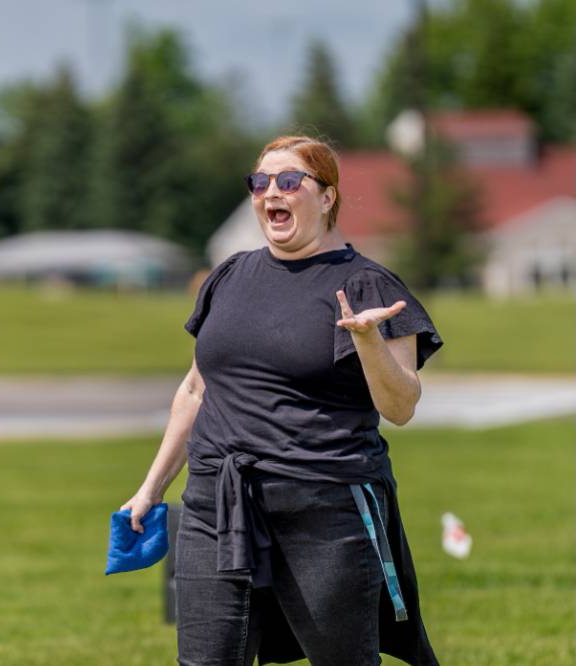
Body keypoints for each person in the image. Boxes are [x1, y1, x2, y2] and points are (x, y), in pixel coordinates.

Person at [121, 135, 442, 665]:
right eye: (260, 182)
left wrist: (368, 343)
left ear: (327, 197)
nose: (272, 192)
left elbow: (401, 406)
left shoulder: (366, 285)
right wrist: (151, 488)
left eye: (289, 181)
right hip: (215, 506)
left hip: (324, 507)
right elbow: (196, 389)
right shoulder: (229, 276)